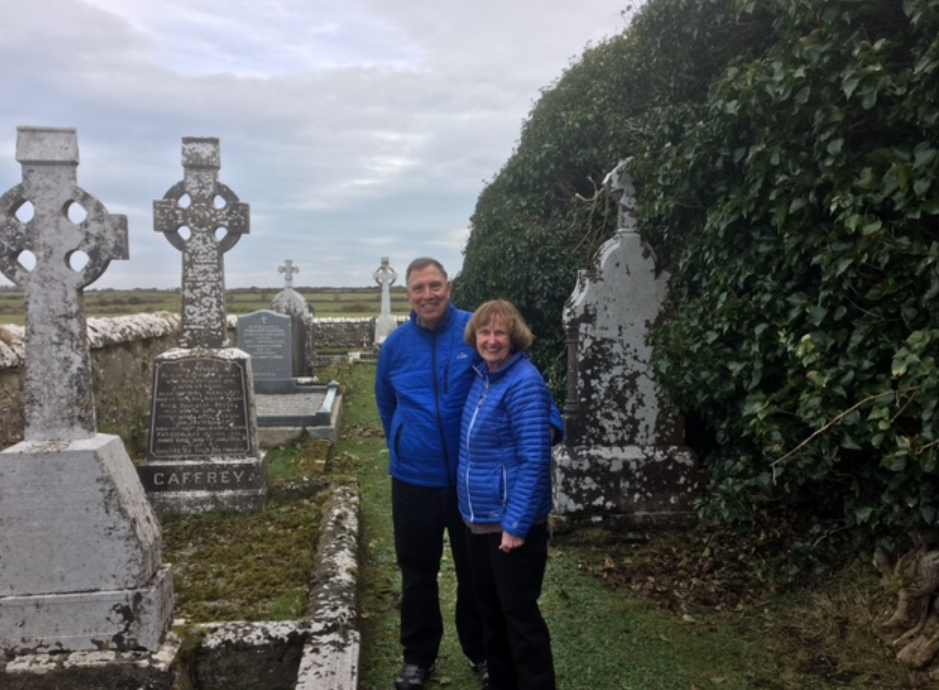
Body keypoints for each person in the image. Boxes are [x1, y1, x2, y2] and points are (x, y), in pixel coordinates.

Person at [375, 257, 488, 690]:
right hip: (413, 482)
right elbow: (386, 400)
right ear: (408, 295)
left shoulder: (473, 332)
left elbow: (506, 373)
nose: (428, 294)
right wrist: (403, 440)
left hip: (467, 480)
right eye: (419, 288)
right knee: (418, 574)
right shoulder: (396, 346)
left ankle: (481, 652)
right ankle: (417, 658)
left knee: (473, 572)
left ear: (449, 287)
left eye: (435, 285)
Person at [458, 299, 559, 690]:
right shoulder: (482, 376)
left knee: (520, 620)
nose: (492, 340)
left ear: (513, 336)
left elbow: (534, 460)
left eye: (500, 332)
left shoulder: (524, 382)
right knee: (491, 614)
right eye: (485, 332)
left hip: (511, 526)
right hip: (480, 520)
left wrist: (515, 525)